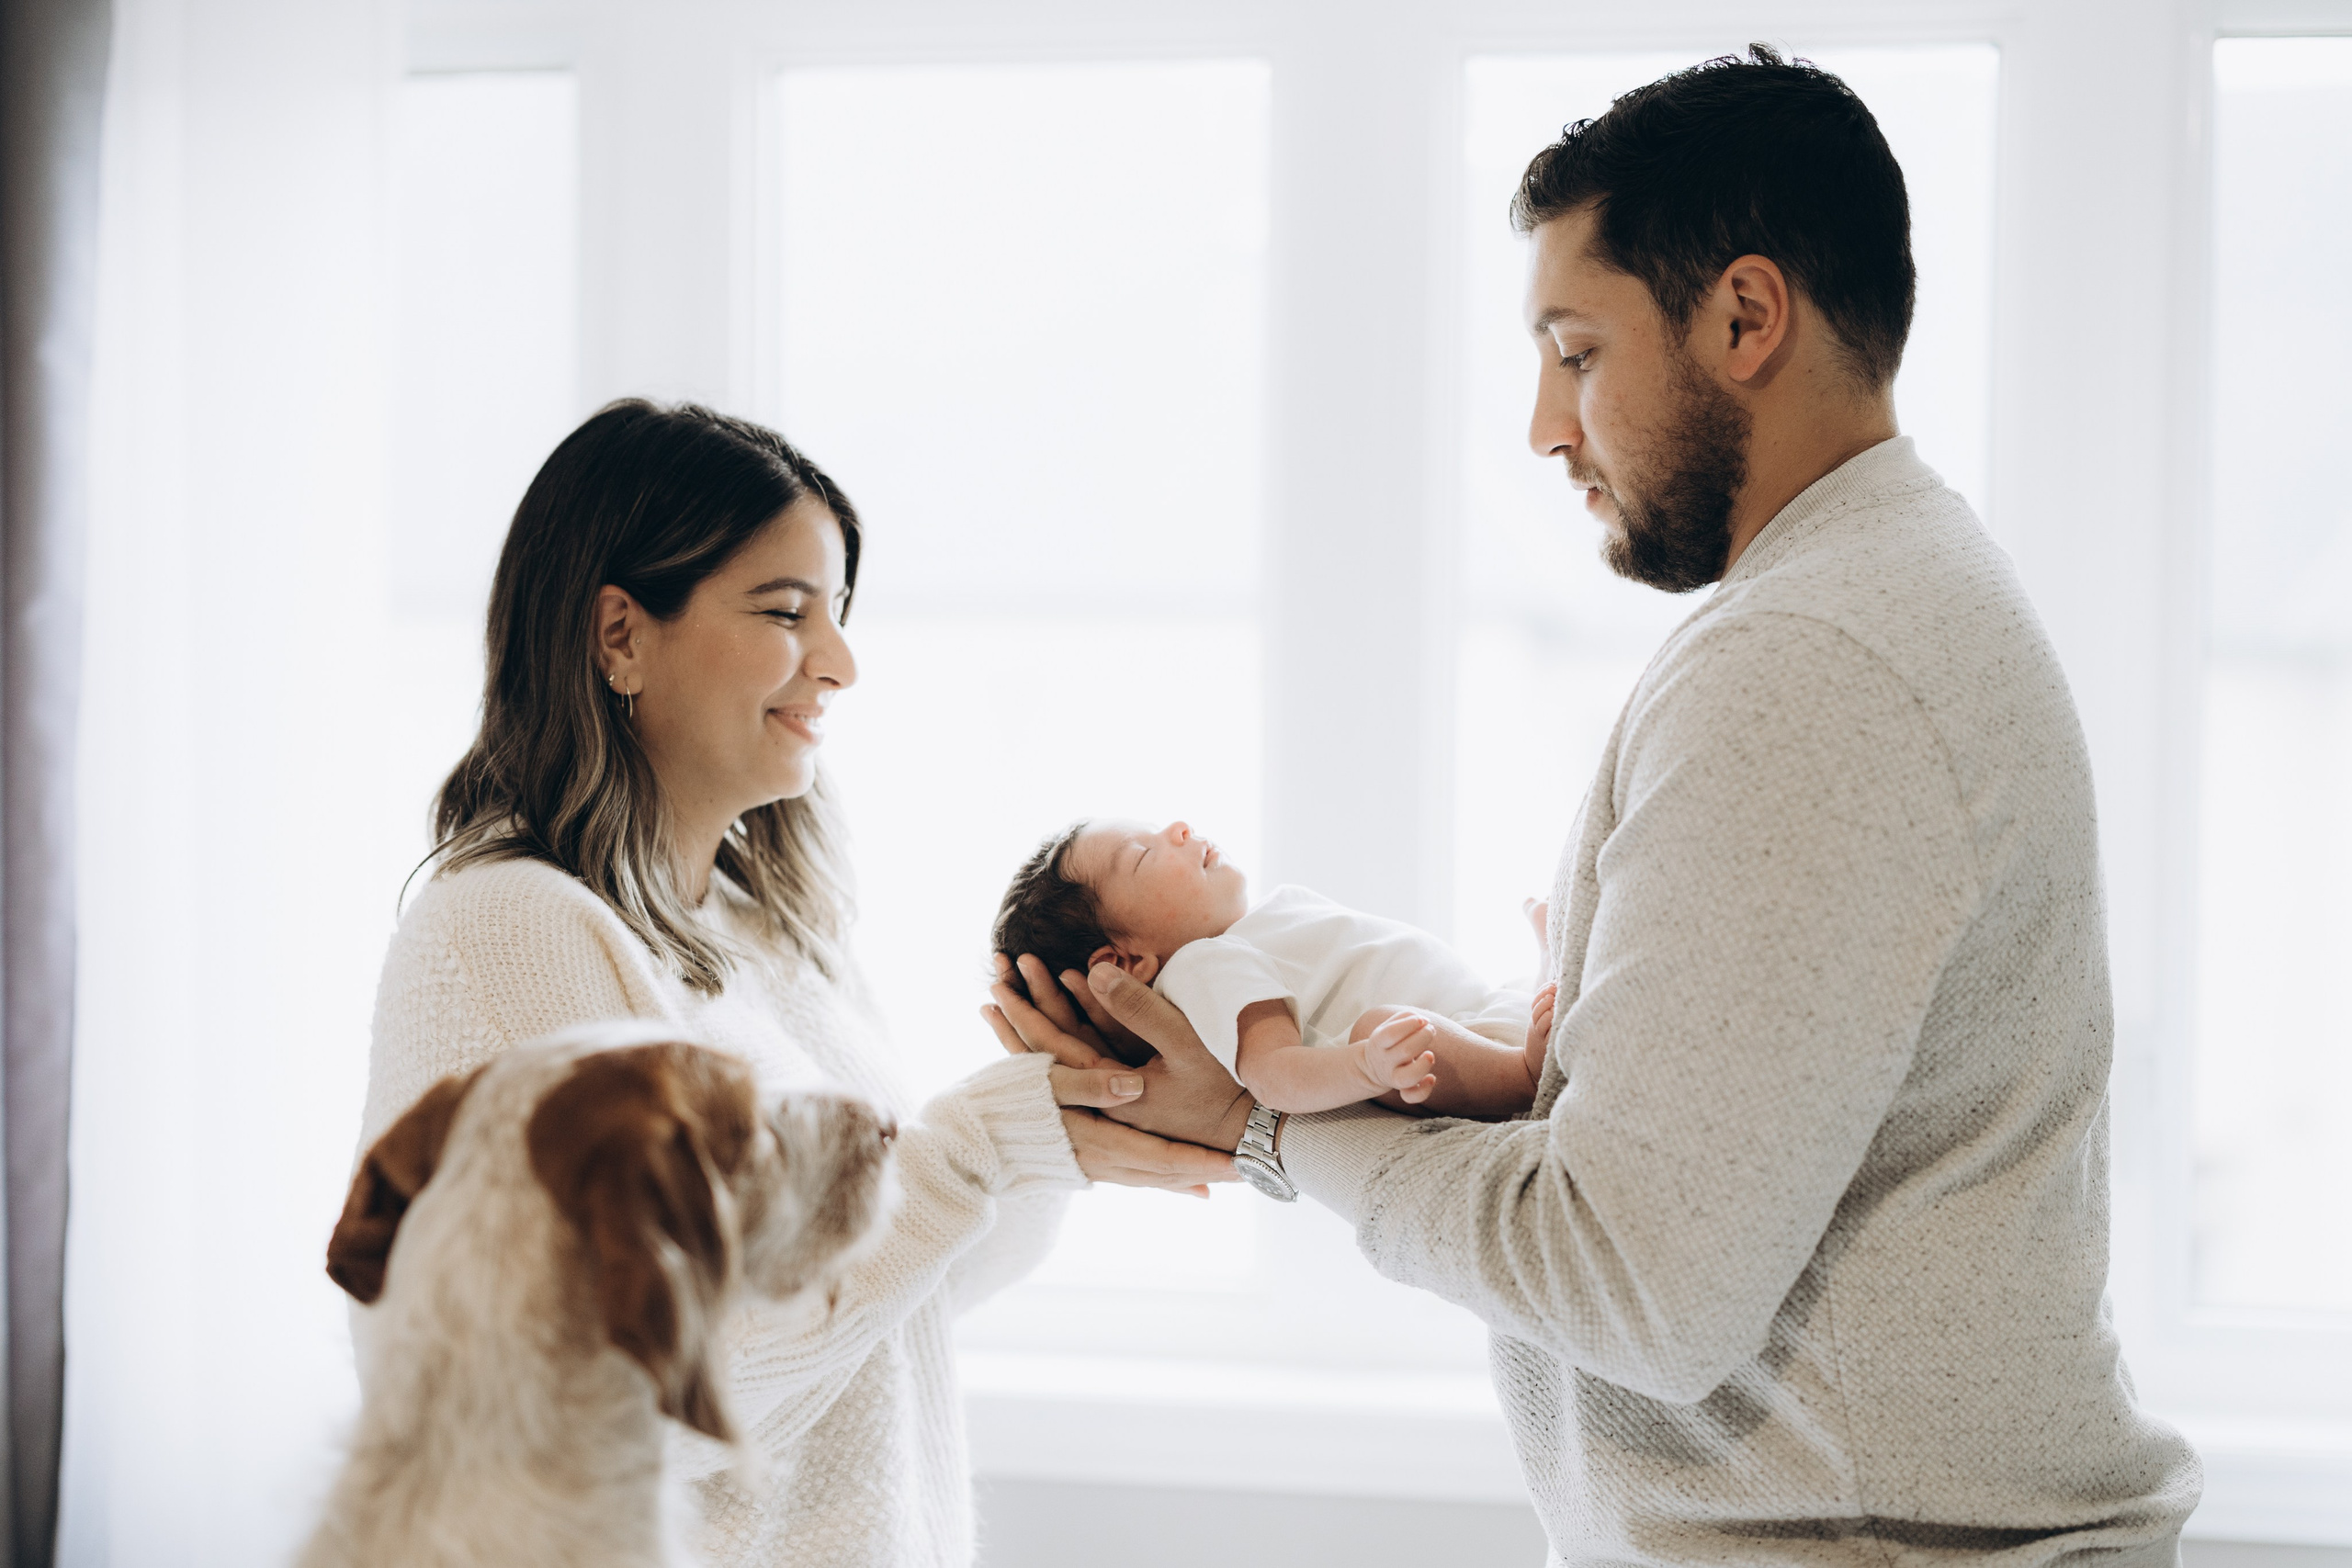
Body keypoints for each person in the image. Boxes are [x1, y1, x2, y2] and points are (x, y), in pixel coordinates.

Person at [991, 47, 2201, 1565]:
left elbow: (1635, 1282)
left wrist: (1264, 1129)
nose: (1544, 427)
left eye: (1575, 352)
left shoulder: (1810, 661)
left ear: (1746, 317)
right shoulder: (1892, 594)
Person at [357, 400, 1229, 1568]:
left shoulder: (762, 927)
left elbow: (892, 1309)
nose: (840, 663)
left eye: (839, 612)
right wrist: (973, 1147)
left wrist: (1052, 1122)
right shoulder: (513, 931)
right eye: (785, 612)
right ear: (620, 636)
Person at [992, 816, 1556, 1116]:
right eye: (1142, 854)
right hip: (1448, 1058)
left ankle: (1541, 980)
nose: (1179, 828)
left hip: (1475, 1016)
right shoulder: (1203, 965)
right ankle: (1524, 1077)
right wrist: (1365, 1064)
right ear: (1126, 961)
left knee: (1509, 994)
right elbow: (1272, 1075)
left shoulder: (1248, 934)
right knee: (1377, 1025)